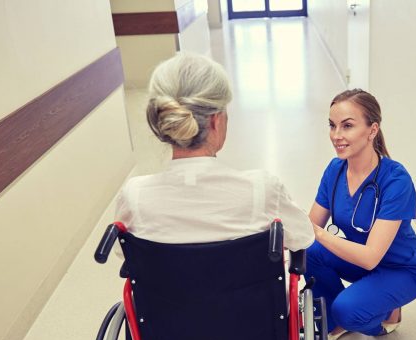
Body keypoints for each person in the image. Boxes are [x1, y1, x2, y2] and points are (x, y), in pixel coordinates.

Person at [114, 52, 313, 252]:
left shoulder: (135, 195)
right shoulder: (262, 190)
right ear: (215, 121)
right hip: (246, 283)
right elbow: (303, 237)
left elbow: (122, 252)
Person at [307, 89, 416, 340]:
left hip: (401, 269)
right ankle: (335, 318)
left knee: (349, 310)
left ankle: (386, 314)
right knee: (308, 251)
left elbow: (370, 257)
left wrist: (316, 233)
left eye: (347, 126)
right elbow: (310, 226)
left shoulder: (396, 180)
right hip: (360, 259)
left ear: (372, 130)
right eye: (332, 125)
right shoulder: (335, 169)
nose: (336, 136)